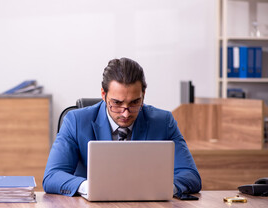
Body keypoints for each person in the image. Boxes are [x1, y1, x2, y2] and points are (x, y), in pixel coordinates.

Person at [43, 57, 201, 197]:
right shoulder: (76, 121)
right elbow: (52, 176)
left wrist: (163, 188)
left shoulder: (163, 122)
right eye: (117, 103)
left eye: (134, 103)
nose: (125, 114)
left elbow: (191, 176)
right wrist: (89, 187)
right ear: (103, 95)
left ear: (143, 95)